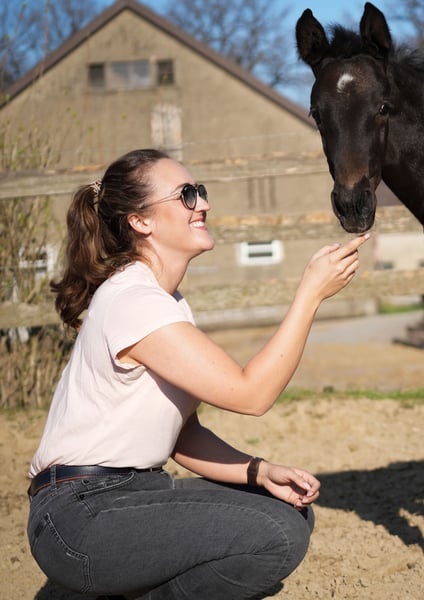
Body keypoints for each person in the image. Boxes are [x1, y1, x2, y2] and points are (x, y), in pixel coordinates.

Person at [27, 148, 370, 600]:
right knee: (277, 534)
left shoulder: (164, 301)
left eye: (200, 191)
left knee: (290, 513)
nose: (203, 203)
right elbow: (252, 395)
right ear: (140, 221)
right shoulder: (134, 301)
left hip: (122, 495)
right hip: (80, 515)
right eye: (186, 195)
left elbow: (183, 435)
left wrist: (259, 472)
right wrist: (309, 295)